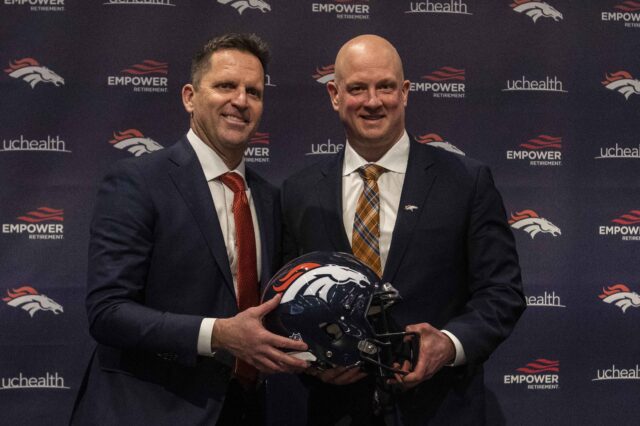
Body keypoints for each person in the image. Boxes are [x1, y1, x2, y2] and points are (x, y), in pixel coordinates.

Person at [280, 34, 526, 425]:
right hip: (336, 411)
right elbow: (287, 303)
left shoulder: (466, 181)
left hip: (441, 410)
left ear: (406, 92)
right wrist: (312, 362)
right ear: (334, 95)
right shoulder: (298, 192)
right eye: (357, 88)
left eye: (386, 87)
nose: (373, 101)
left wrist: (448, 345)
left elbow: (502, 293)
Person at [69, 33, 308, 426]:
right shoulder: (138, 182)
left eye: (254, 91)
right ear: (189, 97)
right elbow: (108, 312)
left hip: (244, 410)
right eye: (225, 86)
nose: (241, 101)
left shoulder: (268, 197)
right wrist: (218, 334)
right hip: (147, 411)